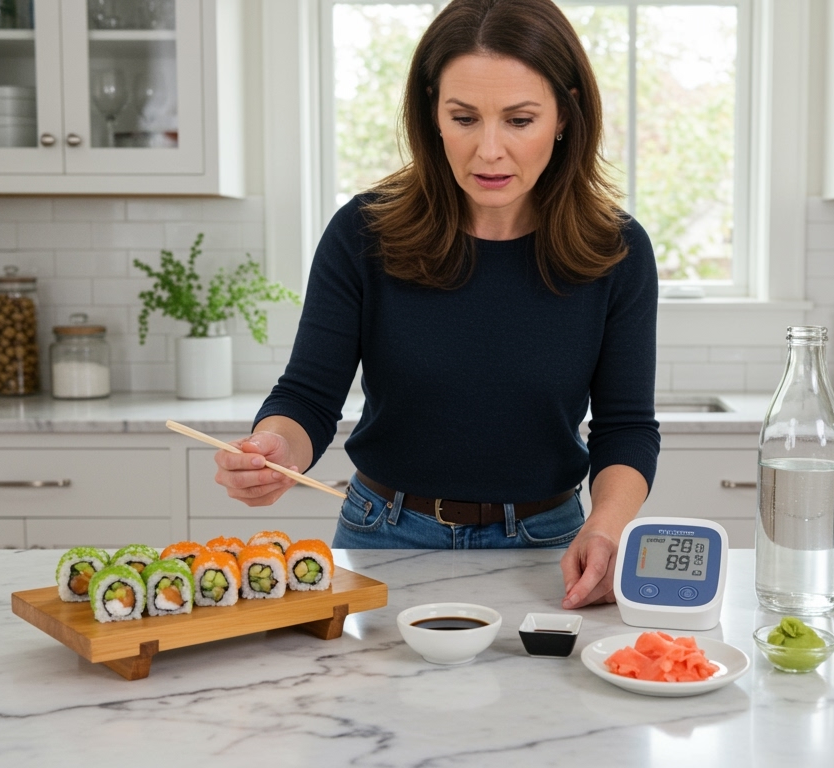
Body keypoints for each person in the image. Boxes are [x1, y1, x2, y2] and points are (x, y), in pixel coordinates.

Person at [213, 0, 658, 610]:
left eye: (520, 120)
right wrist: (275, 451)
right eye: (465, 118)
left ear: (564, 113)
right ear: (433, 114)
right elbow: (308, 398)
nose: (490, 151)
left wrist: (605, 529)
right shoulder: (363, 232)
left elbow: (626, 429)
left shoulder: (618, 250)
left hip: (550, 545)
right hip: (381, 536)